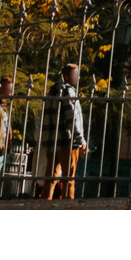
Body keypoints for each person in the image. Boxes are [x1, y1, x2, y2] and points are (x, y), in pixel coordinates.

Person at [41, 62, 89, 201]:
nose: (78, 78)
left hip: (51, 140)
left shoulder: (52, 91)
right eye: (75, 75)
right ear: (66, 76)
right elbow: (72, 117)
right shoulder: (68, 91)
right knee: (69, 177)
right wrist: (80, 139)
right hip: (67, 141)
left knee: (51, 176)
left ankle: (44, 205)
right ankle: (68, 206)